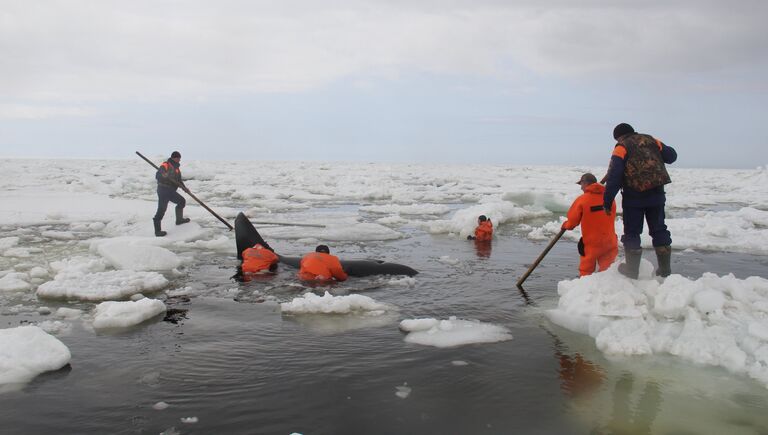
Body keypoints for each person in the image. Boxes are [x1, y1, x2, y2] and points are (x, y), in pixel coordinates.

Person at [603, 123, 677, 278]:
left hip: (634, 197)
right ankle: (665, 271)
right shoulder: (651, 140)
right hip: (657, 194)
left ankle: (632, 270)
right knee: (659, 230)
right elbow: (671, 156)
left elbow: (614, 176)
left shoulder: (621, 147)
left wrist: (607, 200)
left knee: (632, 232)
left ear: (618, 137)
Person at [562, 173, 618, 276]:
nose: (581, 188)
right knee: (607, 272)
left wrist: (565, 225)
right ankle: (606, 289)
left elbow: (572, 223)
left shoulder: (582, 200)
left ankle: (585, 289)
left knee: (586, 271)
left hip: (592, 244)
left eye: (581, 185)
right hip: (610, 242)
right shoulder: (610, 198)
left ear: (585, 183)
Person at [153, 151, 190, 237]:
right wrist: (163, 175)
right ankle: (157, 231)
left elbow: (179, 181)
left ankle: (179, 220)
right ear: (174, 158)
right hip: (163, 190)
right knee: (162, 209)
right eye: (178, 158)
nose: (179, 160)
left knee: (181, 201)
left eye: (180, 158)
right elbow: (158, 175)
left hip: (171, 191)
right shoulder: (166, 165)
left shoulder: (176, 168)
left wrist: (184, 188)